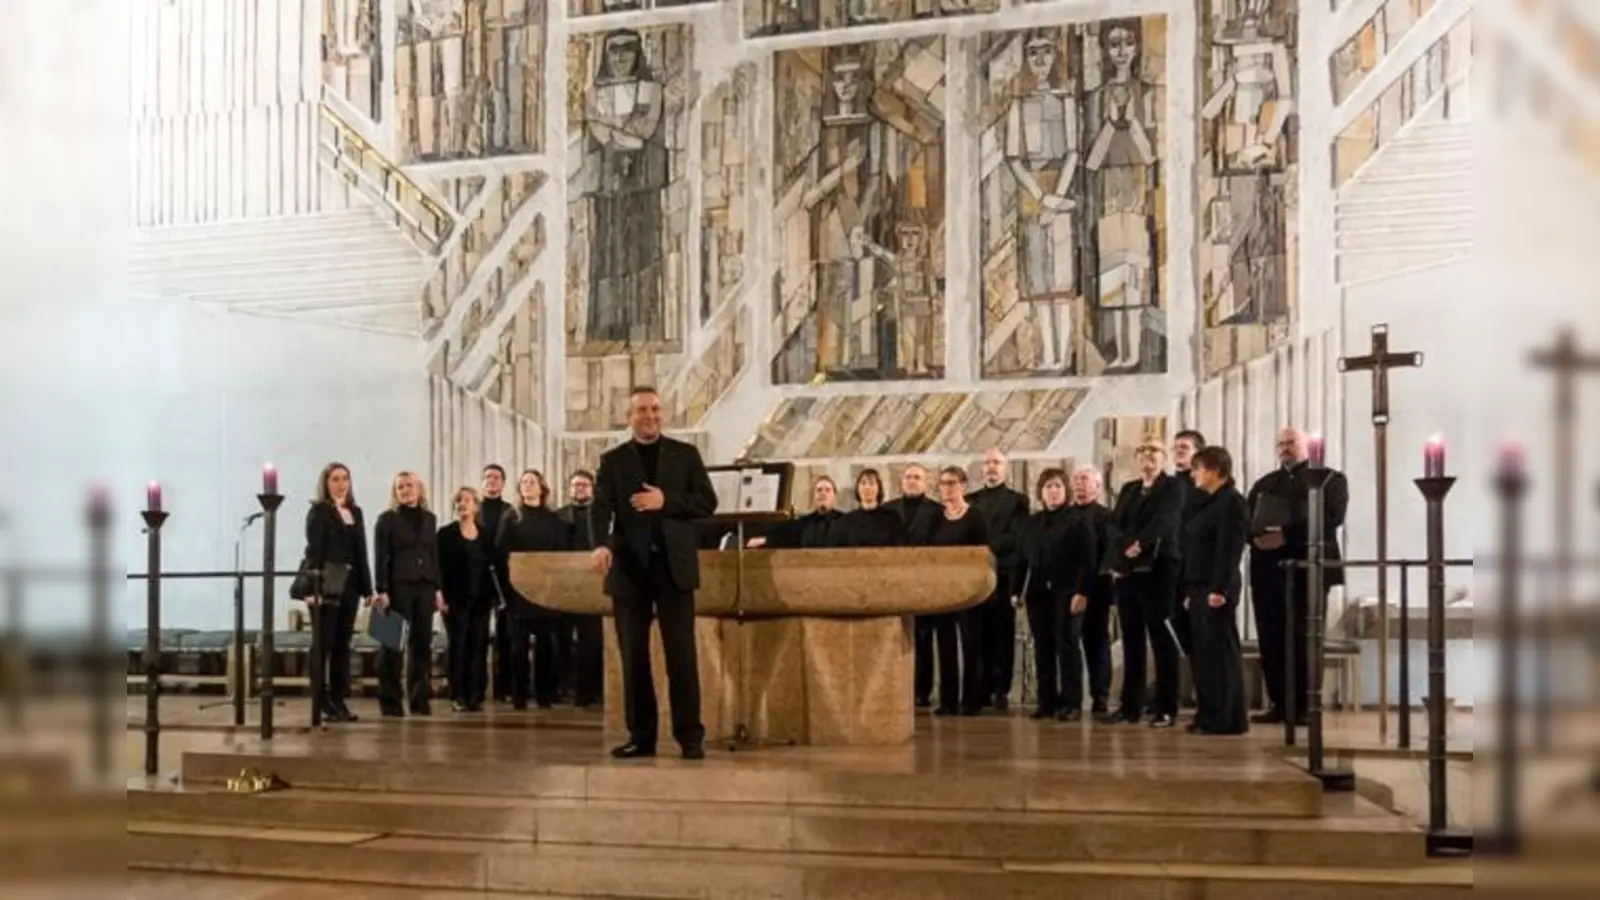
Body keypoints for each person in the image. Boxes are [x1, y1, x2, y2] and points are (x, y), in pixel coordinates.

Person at [590, 386, 719, 760]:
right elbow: (599, 508)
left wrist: (667, 501)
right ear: (629, 416)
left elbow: (707, 503)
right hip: (630, 571)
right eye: (642, 409)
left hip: (674, 569)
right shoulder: (613, 460)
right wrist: (600, 544)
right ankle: (641, 737)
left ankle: (690, 737)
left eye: (656, 408)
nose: (650, 415)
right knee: (634, 658)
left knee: (682, 656)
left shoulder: (686, 455)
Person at [1246, 427, 1349, 725]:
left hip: (1310, 570)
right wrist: (1254, 537)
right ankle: (1280, 703)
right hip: (1269, 572)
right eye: (1280, 443)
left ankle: (1306, 706)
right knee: (1272, 639)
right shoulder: (1265, 483)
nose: (1284, 448)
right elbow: (1247, 519)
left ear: (1307, 446)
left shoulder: (1330, 479)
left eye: (1291, 442)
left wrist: (1286, 536)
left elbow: (1331, 518)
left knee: (1305, 637)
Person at [1103, 440, 1183, 728]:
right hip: (1128, 569)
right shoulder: (1129, 489)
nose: (1148, 456)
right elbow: (1113, 523)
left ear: (1164, 458)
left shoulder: (1174, 487)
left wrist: (1140, 543)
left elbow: (1165, 520)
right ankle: (1130, 706)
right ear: (1136, 458)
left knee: (1161, 637)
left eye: (1154, 451)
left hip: (1159, 568)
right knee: (1132, 637)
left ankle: (1166, 707)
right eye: (1143, 451)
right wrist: (1126, 547)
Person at [1181, 446, 1250, 735]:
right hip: (1200, 587)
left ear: (1215, 471)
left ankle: (1226, 718)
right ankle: (1209, 713)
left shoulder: (1232, 502)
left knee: (1220, 655)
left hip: (1215, 589)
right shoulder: (1210, 502)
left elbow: (1229, 549)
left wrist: (1219, 588)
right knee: (1205, 656)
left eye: (1198, 468)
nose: (1194, 474)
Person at [1021, 468, 1098, 721]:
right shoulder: (1032, 523)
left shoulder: (1078, 520)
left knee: (1067, 645)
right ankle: (1046, 701)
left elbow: (1088, 560)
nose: (1053, 492)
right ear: (1040, 492)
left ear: (1065, 491)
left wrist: (1083, 592)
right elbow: (1025, 559)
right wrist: (1016, 590)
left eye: (1057, 487)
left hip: (1067, 591)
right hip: (1038, 593)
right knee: (1042, 646)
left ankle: (1071, 703)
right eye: (1048, 487)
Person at [302, 461, 374, 723]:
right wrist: (315, 588)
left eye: (345, 478)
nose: (341, 484)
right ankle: (320, 701)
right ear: (326, 483)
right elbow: (314, 553)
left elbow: (361, 552)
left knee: (343, 644)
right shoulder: (319, 512)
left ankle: (338, 699)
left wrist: (368, 589)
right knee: (323, 644)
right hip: (327, 583)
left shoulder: (356, 511)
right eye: (335, 479)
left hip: (351, 585)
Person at [372, 471, 442, 718]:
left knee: (421, 645)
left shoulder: (430, 519)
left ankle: (419, 700)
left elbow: (434, 556)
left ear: (419, 489)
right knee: (391, 646)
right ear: (395, 492)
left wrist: (438, 589)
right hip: (396, 588)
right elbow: (380, 557)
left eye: (409, 485)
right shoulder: (386, 519)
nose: (405, 490)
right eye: (400, 487)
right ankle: (390, 703)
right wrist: (381, 590)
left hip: (424, 587)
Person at [497, 468, 568, 709]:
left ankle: (544, 696)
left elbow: (560, 554)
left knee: (546, 646)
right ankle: (519, 696)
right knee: (518, 647)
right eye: (523, 482)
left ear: (541, 487)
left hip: (546, 588)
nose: (527, 485)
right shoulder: (511, 517)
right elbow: (501, 553)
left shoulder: (553, 519)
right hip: (519, 589)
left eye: (532, 482)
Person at [967, 448, 1029, 710]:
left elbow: (1016, 538)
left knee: (1002, 634)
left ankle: (1000, 690)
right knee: (976, 635)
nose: (991, 467)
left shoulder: (1018, 501)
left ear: (1005, 468)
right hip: (973, 578)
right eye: (988, 462)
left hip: (1003, 576)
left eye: (997, 463)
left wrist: (984, 550)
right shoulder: (970, 500)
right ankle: (978, 689)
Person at [929, 466, 991, 717]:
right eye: (943, 483)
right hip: (944, 590)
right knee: (945, 646)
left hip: (969, 589)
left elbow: (982, 553)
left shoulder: (976, 516)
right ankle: (948, 701)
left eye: (952, 483)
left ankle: (971, 700)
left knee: (971, 644)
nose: (947, 488)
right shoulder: (936, 518)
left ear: (963, 486)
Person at [884, 464, 942, 708]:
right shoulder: (887, 510)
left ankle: (922, 692)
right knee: (894, 637)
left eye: (917, 477)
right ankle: (896, 688)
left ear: (926, 483)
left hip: (923, 580)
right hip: (894, 580)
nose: (912, 481)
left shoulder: (937, 511)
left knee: (923, 638)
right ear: (901, 481)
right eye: (908, 477)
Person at [438, 486, 494, 713]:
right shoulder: (445, 534)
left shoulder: (486, 535)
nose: (462, 504)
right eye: (458, 501)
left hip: (481, 599)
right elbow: (439, 567)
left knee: (478, 646)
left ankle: (475, 695)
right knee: (458, 646)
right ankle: (457, 695)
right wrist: (439, 593)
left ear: (476, 506)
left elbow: (492, 567)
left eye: (467, 500)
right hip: (455, 600)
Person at [1067, 465, 1115, 715]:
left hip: (1096, 589)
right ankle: (1071, 698)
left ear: (1096, 486)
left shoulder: (1106, 516)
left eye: (1084, 479)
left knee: (1097, 644)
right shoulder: (1066, 514)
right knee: (1070, 642)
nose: (1079, 483)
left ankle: (1100, 696)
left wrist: (1087, 588)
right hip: (1067, 588)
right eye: (1076, 479)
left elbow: (1107, 555)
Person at [556, 469, 603, 708]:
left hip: (595, 584)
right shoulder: (559, 516)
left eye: (584, 485)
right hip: (566, 583)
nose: (579, 489)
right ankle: (565, 688)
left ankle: (589, 691)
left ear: (592, 488)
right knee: (563, 638)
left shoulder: (602, 514)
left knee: (592, 640)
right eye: (575, 485)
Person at [1168, 430, 1207, 663]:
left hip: (1194, 567)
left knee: (1200, 630)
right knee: (1176, 626)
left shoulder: (1202, 488)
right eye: (1176, 447)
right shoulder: (1168, 485)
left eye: (1185, 447)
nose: (1179, 451)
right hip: (1171, 567)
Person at [479, 464, 513, 705]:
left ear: (503, 483)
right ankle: (478, 688)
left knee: (506, 637)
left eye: (496, 478)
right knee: (479, 637)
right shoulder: (473, 507)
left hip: (503, 578)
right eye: (488, 477)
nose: (492, 481)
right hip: (478, 578)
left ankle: (505, 688)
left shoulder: (511, 510)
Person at [749, 475, 843, 548]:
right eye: (819, 490)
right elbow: (782, 537)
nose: (823, 493)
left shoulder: (845, 521)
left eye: (827, 490)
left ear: (834, 496)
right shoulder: (802, 523)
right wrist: (765, 541)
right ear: (813, 497)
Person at [832, 468, 904, 547]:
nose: (867, 487)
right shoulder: (846, 521)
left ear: (879, 488)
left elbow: (899, 549)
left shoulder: (892, 518)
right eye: (863, 483)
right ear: (857, 488)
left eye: (871, 483)